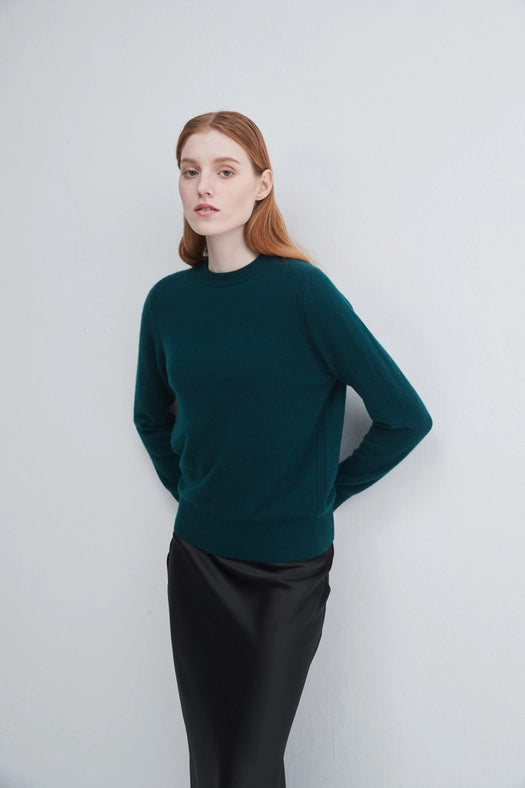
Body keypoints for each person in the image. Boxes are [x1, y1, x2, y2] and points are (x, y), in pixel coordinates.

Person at [133, 110, 432, 788]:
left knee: (251, 765)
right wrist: (193, 492)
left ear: (261, 185)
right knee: (211, 765)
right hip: (198, 561)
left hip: (286, 573)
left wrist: (322, 494)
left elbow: (404, 417)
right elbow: (149, 416)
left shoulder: (302, 292)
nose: (204, 186)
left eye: (225, 170)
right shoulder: (168, 302)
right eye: (190, 171)